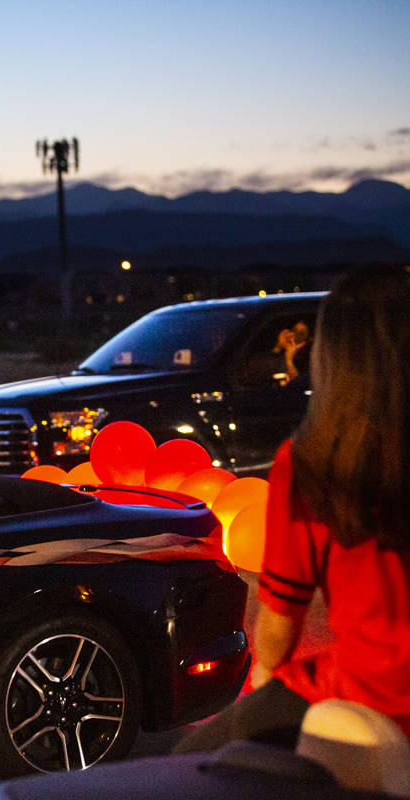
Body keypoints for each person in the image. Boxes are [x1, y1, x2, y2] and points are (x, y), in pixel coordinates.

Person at [176, 268, 410, 752]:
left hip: (366, 701)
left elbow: (279, 630)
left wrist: (264, 682)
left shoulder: (312, 463)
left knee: (192, 758)